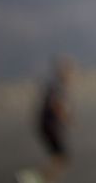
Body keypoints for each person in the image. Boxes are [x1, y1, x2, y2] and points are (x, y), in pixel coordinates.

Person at [17, 54, 74, 183]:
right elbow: (55, 104)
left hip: (48, 126)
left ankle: (35, 178)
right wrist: (66, 117)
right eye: (69, 70)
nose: (71, 74)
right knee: (61, 158)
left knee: (59, 158)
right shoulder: (57, 86)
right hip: (50, 126)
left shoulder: (55, 85)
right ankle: (31, 178)